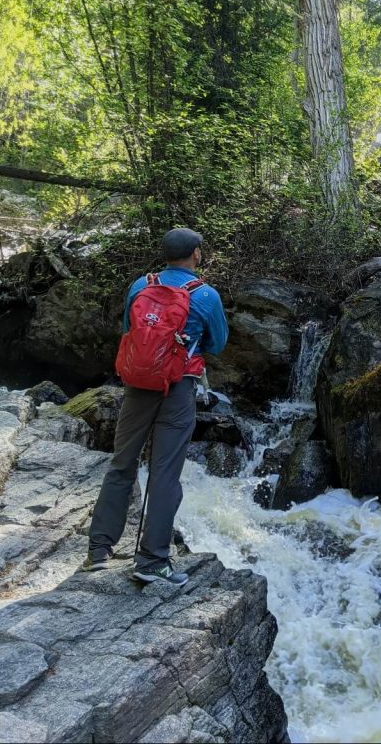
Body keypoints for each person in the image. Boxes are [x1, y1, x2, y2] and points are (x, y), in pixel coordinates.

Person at [83, 228, 228, 584]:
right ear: (195, 254)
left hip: (137, 387)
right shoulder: (205, 294)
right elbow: (219, 343)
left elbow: (127, 329)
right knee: (164, 474)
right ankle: (152, 561)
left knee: (122, 463)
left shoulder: (139, 285)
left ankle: (99, 551)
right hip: (178, 389)